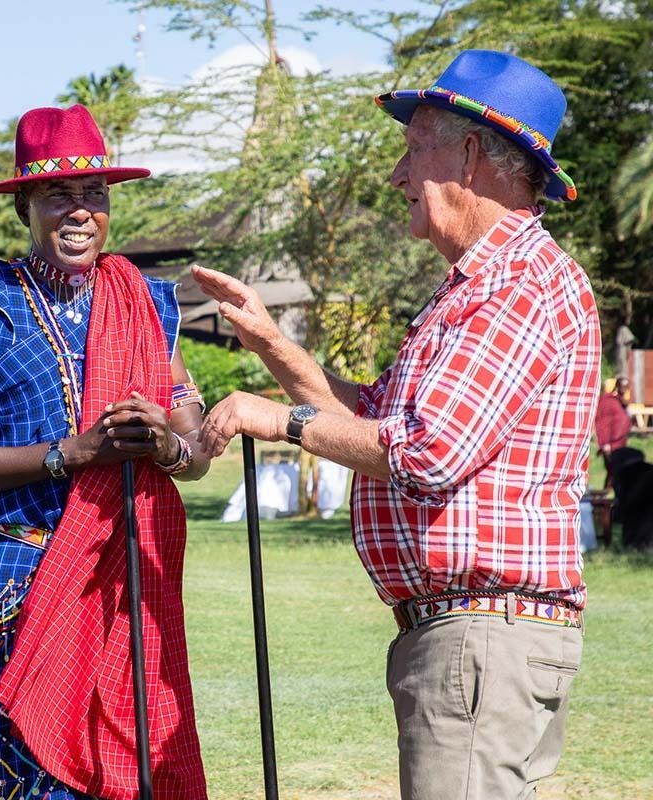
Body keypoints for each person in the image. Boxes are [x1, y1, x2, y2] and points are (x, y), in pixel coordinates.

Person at [192, 50, 599, 799]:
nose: (396, 177)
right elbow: (371, 420)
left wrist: (275, 419)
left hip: (483, 640)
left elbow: (427, 452)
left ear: (471, 156)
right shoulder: (477, 286)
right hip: (472, 639)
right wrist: (272, 343)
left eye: (413, 151)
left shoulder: (515, 285)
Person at [0, 104, 211, 799]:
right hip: (20, 575)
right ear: (26, 203)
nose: (80, 212)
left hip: (122, 580)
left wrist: (165, 441)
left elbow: (195, 449)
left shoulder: (144, 302)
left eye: (94, 195)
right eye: (60, 195)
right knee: (24, 774)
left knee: (129, 768)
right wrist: (73, 453)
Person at [595, 376, 633, 487]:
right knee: (613, 472)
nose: (624, 390)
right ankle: (604, 498)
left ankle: (608, 498)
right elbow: (602, 422)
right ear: (618, 386)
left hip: (619, 443)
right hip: (609, 444)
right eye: (623, 387)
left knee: (616, 472)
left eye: (626, 388)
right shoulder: (607, 401)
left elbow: (623, 422)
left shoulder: (622, 403)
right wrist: (605, 444)